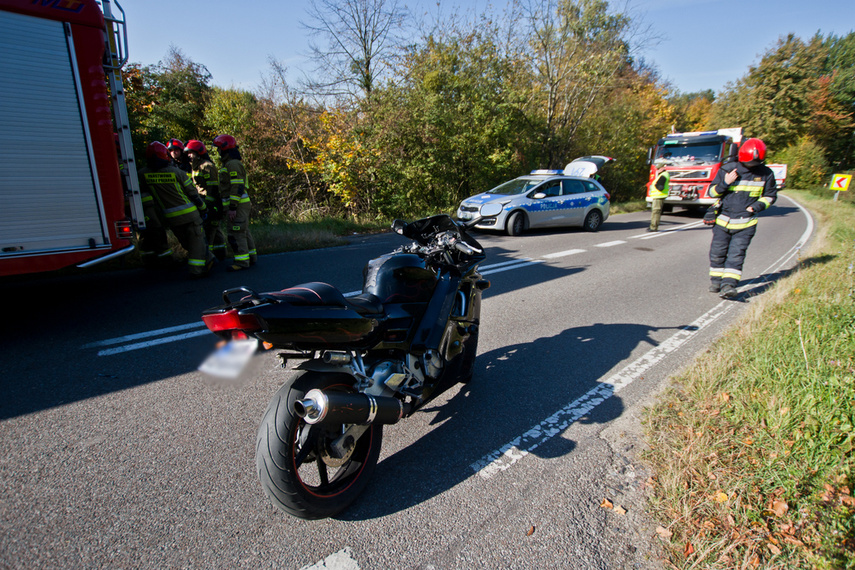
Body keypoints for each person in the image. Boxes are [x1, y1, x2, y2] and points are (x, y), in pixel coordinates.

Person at [706, 138, 777, 299]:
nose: (751, 167)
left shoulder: (766, 174)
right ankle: (716, 281)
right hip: (723, 222)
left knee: (736, 255)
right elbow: (712, 193)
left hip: (746, 223)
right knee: (717, 253)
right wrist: (725, 183)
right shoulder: (728, 170)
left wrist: (757, 206)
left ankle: (728, 285)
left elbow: (770, 196)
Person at [138, 141, 213, 278]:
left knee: (187, 242)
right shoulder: (177, 173)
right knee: (196, 241)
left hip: (171, 218)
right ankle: (197, 270)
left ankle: (209, 258)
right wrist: (203, 209)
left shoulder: (143, 174)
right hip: (190, 215)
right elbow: (193, 194)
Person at [212, 134, 257, 271]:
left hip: (237, 205)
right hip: (238, 204)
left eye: (218, 148)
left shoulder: (233, 164)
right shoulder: (230, 163)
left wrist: (232, 207)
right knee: (243, 230)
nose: (218, 151)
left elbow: (237, 186)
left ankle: (242, 262)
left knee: (236, 231)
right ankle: (251, 257)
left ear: (225, 149)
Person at [185, 139, 227, 262]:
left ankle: (207, 258)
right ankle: (220, 255)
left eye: (191, 152)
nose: (189, 155)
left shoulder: (207, 166)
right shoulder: (195, 166)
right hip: (202, 201)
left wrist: (207, 205)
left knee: (208, 232)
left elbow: (213, 188)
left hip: (210, 204)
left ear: (198, 152)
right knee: (216, 233)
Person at [648, 165, 670, 232]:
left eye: (658, 168)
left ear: (663, 168)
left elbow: (660, 187)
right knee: (655, 211)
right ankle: (653, 226)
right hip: (658, 196)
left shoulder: (663, 175)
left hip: (659, 196)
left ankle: (653, 227)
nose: (657, 170)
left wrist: (656, 186)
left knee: (656, 212)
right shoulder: (664, 174)